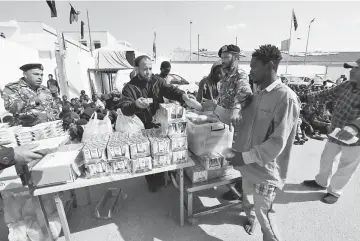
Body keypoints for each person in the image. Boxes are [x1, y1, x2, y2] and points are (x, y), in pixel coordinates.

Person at [205, 44, 300, 240]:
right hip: (248, 166)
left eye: (255, 66)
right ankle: (251, 219)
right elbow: (239, 120)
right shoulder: (258, 95)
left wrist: (243, 156)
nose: (250, 70)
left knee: (265, 217)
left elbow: (277, 143)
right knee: (248, 203)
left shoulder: (285, 98)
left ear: (270, 66)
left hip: (265, 170)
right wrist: (214, 108)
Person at [119, 55, 201, 192]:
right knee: (146, 155)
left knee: (162, 151)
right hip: (142, 127)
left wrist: (183, 96)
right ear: (137, 69)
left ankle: (165, 175)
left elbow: (170, 90)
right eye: (145, 69)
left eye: (150, 68)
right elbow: (125, 108)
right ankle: (151, 180)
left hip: (160, 123)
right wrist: (135, 104)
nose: (148, 72)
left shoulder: (158, 81)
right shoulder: (129, 88)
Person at [300, 58, 360, 204]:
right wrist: (304, 97)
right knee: (327, 158)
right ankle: (321, 181)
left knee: (346, 166)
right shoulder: (346, 85)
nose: (351, 71)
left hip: (354, 137)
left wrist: (355, 126)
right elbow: (326, 94)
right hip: (336, 131)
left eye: (356, 69)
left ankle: (335, 191)